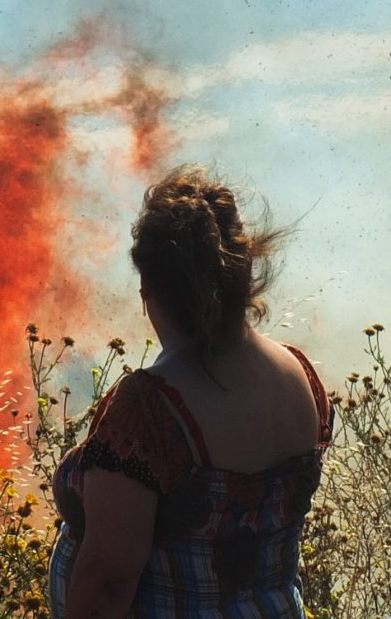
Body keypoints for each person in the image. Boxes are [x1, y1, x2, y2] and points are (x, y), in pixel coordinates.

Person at [49, 165, 333, 617]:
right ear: (243, 276)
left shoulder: (149, 412)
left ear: (148, 289)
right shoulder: (298, 375)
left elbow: (106, 582)